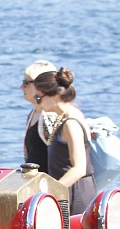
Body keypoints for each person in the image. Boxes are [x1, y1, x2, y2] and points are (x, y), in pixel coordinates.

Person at [32, 68, 96, 213]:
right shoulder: (70, 114)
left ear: (55, 96)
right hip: (71, 190)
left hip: (75, 193)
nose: (37, 104)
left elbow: (79, 168)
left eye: (38, 98)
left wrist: (51, 193)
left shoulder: (70, 123)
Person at [21, 60, 57, 170]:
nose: (21, 87)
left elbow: (60, 158)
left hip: (50, 183)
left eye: (26, 83)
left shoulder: (49, 116)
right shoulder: (33, 114)